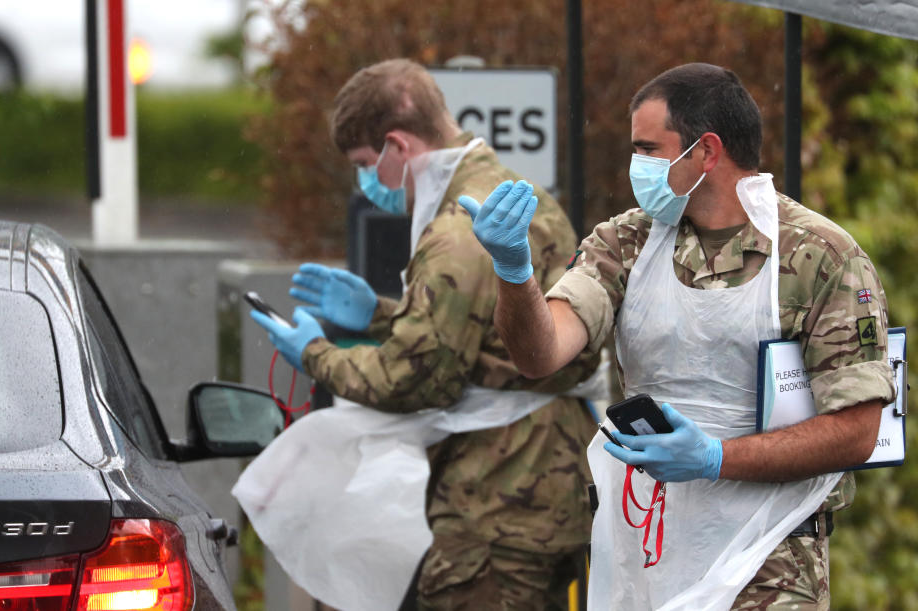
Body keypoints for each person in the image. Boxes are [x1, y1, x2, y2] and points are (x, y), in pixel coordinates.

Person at [459, 62, 897, 609]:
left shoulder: (819, 256)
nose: (635, 166)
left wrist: (715, 457)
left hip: (768, 557)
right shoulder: (626, 242)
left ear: (706, 152)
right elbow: (541, 352)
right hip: (647, 546)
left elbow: (857, 430)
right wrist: (513, 272)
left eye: (648, 149)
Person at [248, 58, 603, 610]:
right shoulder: (517, 193)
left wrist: (315, 354)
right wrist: (380, 315)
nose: (369, 186)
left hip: (496, 504)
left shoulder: (454, 233)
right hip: (549, 485)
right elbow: (492, 338)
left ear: (398, 145)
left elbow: (416, 379)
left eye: (367, 165)